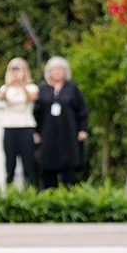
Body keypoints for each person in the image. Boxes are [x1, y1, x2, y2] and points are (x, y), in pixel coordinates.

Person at [34, 56, 88, 189]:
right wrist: (36, 132)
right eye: (54, 69)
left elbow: (82, 110)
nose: (58, 72)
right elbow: (36, 112)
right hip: (48, 135)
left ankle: (68, 197)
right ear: (49, 72)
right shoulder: (43, 90)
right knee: (48, 168)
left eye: (61, 69)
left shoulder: (72, 89)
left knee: (69, 170)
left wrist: (83, 129)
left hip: (68, 134)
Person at [0, 57, 38, 187]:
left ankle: (30, 192)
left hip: (26, 128)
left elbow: (30, 99)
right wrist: (10, 83)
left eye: (19, 69)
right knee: (10, 165)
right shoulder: (5, 88)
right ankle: (10, 195)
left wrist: (21, 83)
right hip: (9, 128)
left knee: (28, 165)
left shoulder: (32, 87)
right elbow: (1, 98)